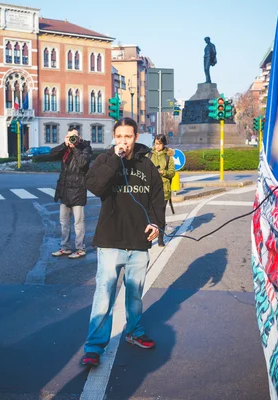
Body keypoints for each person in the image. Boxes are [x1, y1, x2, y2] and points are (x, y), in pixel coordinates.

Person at [81, 117, 165, 367]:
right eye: (119, 137)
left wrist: (157, 224)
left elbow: (156, 198)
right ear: (114, 137)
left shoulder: (146, 165)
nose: (124, 141)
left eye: (128, 137)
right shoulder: (105, 160)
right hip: (110, 240)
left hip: (138, 242)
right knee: (104, 294)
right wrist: (114, 159)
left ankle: (134, 331)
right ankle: (94, 347)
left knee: (135, 294)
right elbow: (94, 186)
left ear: (136, 137)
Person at [50, 127, 93, 259]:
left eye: (74, 136)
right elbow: (51, 154)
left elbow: (82, 163)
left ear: (79, 137)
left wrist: (74, 147)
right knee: (64, 222)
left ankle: (80, 249)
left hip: (78, 190)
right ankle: (65, 248)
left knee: (78, 223)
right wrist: (65, 144)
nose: (72, 139)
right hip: (64, 190)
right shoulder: (65, 148)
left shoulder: (85, 148)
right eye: (70, 136)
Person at [149, 134, 176, 247]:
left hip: (164, 189)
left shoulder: (168, 156)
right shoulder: (149, 155)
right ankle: (149, 237)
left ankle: (160, 239)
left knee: (160, 215)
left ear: (163, 144)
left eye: (159, 144)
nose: (157, 146)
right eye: (156, 143)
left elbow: (172, 172)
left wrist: (162, 172)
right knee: (150, 215)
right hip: (151, 189)